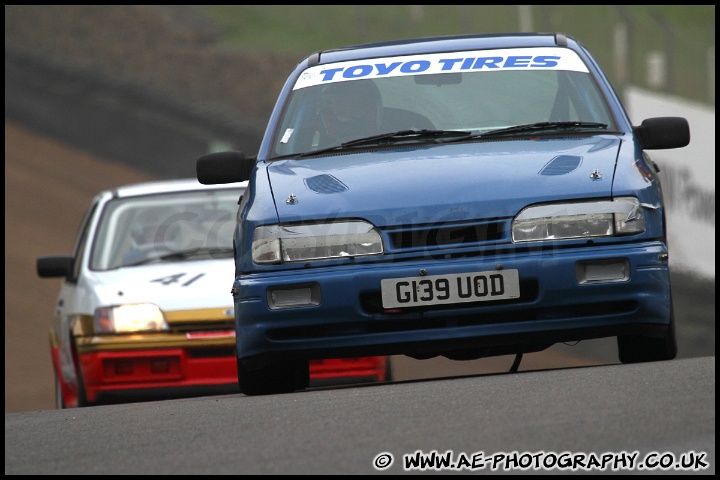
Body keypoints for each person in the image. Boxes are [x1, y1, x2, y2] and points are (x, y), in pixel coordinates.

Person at [318, 79, 383, 145]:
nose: (334, 110)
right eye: (329, 103)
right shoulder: (325, 150)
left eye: (339, 101)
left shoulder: (388, 135)